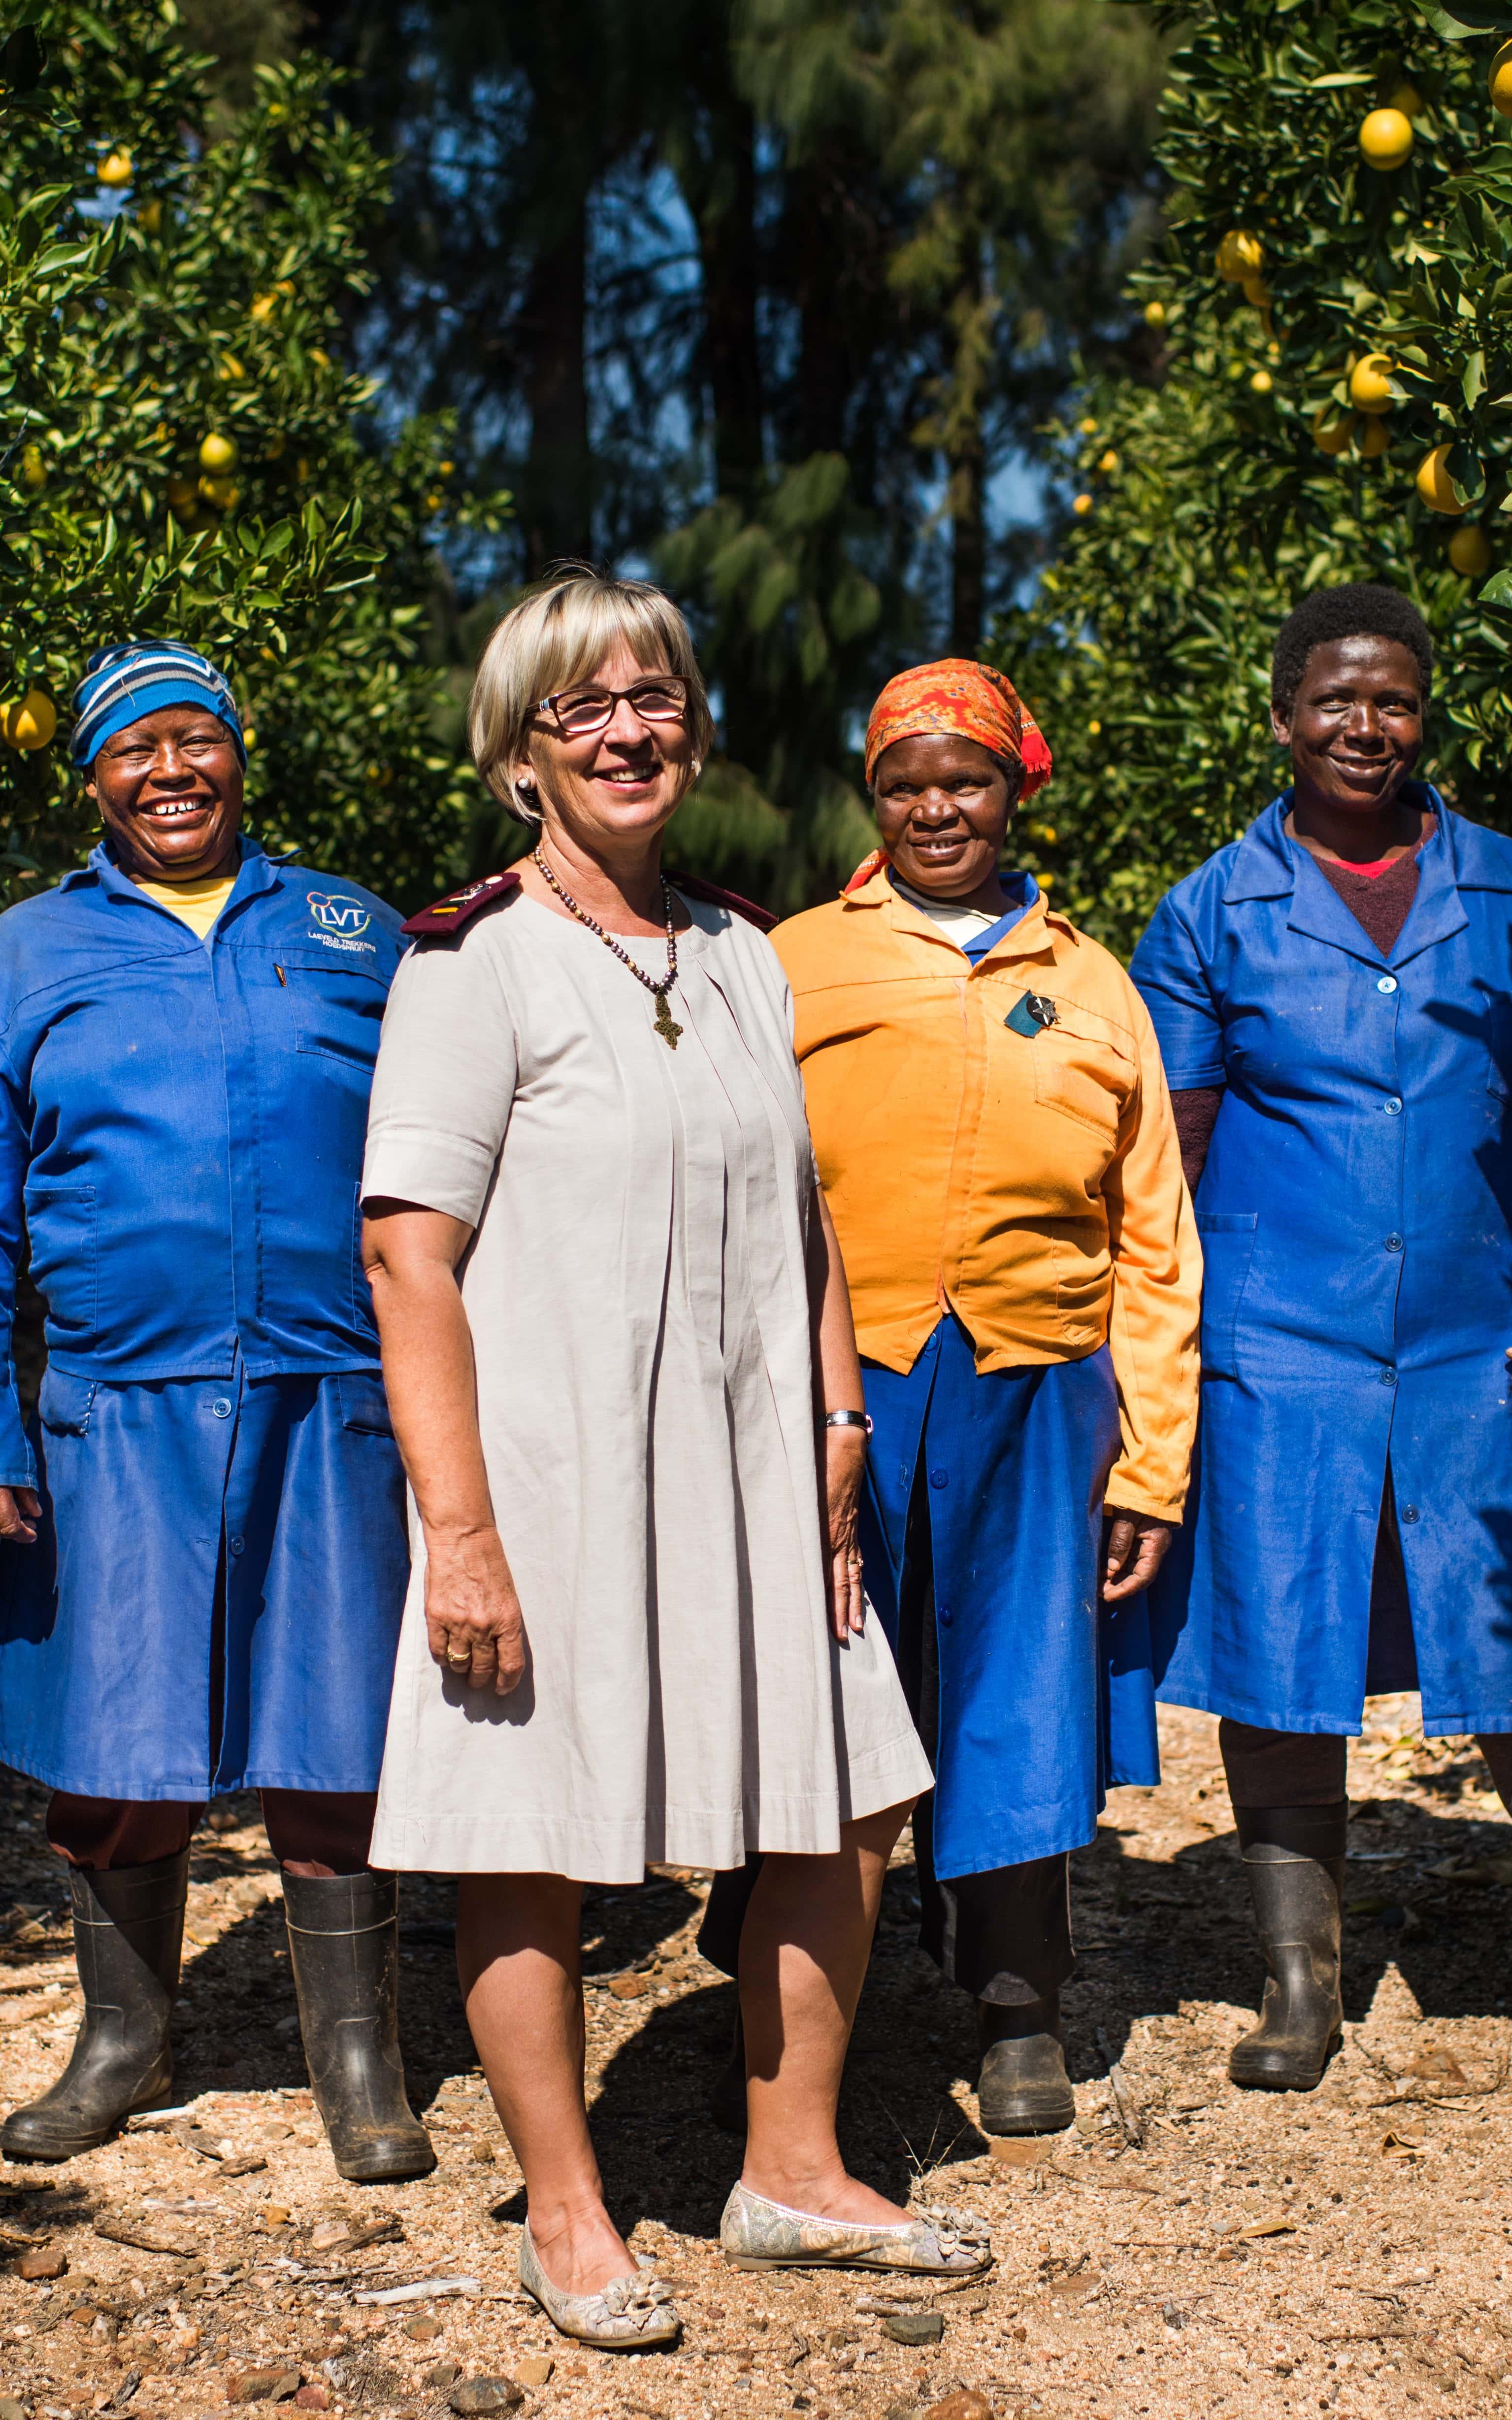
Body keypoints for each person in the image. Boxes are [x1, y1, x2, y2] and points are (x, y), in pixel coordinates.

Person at [360, 568, 982, 2355]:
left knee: (849, 1794)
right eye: (585, 709)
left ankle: (790, 2171)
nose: (630, 732)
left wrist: (842, 1424)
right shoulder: (470, 965)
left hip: (756, 1466)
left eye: (656, 698)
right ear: (521, 754)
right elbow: (410, 1256)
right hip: (549, 1480)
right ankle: (567, 2209)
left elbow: (803, 1223)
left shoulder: (737, 955)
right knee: (525, 1831)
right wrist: (459, 1533)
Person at [699, 658, 1202, 2136]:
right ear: (875, 798)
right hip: (837, 1389)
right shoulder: (790, 960)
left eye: (964, 780)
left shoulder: (1091, 979)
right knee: (815, 1677)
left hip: (1039, 1399)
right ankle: (774, 1994)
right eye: (906, 783)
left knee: (1018, 1691)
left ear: (1014, 789)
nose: (936, 808)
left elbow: (1154, 1239)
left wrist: (1151, 1464)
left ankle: (1015, 2000)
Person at [0, 641, 432, 2182]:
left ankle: (359, 2057)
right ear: (91, 780)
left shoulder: (351, 928)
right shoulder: (26, 953)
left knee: (334, 1732)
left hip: (336, 1396)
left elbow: (445, 1156)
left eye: (197, 742)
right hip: (115, 1411)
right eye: (136, 752)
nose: (171, 773)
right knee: (116, 1742)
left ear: (242, 754)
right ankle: (124, 2043)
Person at [1131, 582, 1512, 2091]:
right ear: (1284, 714)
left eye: (1396, 700)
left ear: (1429, 718)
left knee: (1502, 1632)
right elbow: (1175, 1161)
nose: (1366, 724)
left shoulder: (1499, 888)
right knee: (1284, 1655)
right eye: (1336, 699)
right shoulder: (1211, 911)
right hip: (1279, 1343)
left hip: (1474, 1344)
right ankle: (1302, 1978)